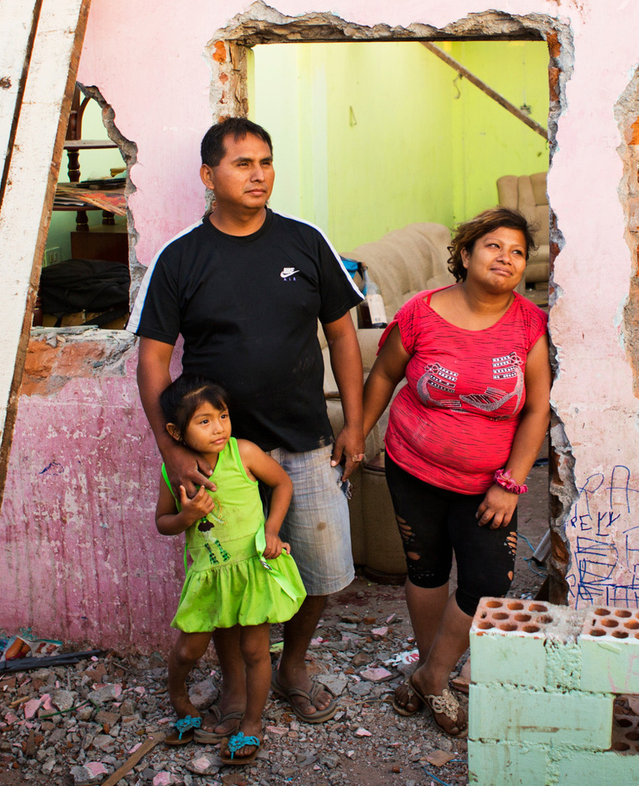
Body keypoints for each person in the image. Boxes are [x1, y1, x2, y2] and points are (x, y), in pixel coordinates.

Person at [130, 117, 365, 736]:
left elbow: (343, 334)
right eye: (242, 164)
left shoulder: (304, 242)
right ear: (209, 175)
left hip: (304, 438)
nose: (258, 174)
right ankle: (236, 681)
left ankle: (292, 666)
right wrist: (173, 449)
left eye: (265, 162)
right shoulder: (182, 258)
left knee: (320, 568)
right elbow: (153, 357)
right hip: (220, 453)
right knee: (233, 567)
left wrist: (356, 422)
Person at [360, 207, 551, 737]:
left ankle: (431, 675)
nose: (506, 259)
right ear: (465, 255)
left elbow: (536, 408)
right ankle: (438, 678)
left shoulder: (528, 323)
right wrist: (358, 434)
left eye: (517, 252)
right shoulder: (420, 313)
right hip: (412, 467)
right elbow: (383, 376)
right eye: (494, 246)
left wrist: (512, 482)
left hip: (489, 485)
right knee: (426, 571)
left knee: (490, 581)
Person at [154, 375, 305, 765]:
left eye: (222, 416)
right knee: (189, 649)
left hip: (251, 569)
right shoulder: (176, 472)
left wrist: (272, 530)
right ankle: (180, 699)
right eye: (204, 421)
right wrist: (187, 515)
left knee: (255, 650)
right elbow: (162, 522)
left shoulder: (245, 454)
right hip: (209, 576)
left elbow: (283, 484)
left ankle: (252, 724)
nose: (219, 427)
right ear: (176, 431)